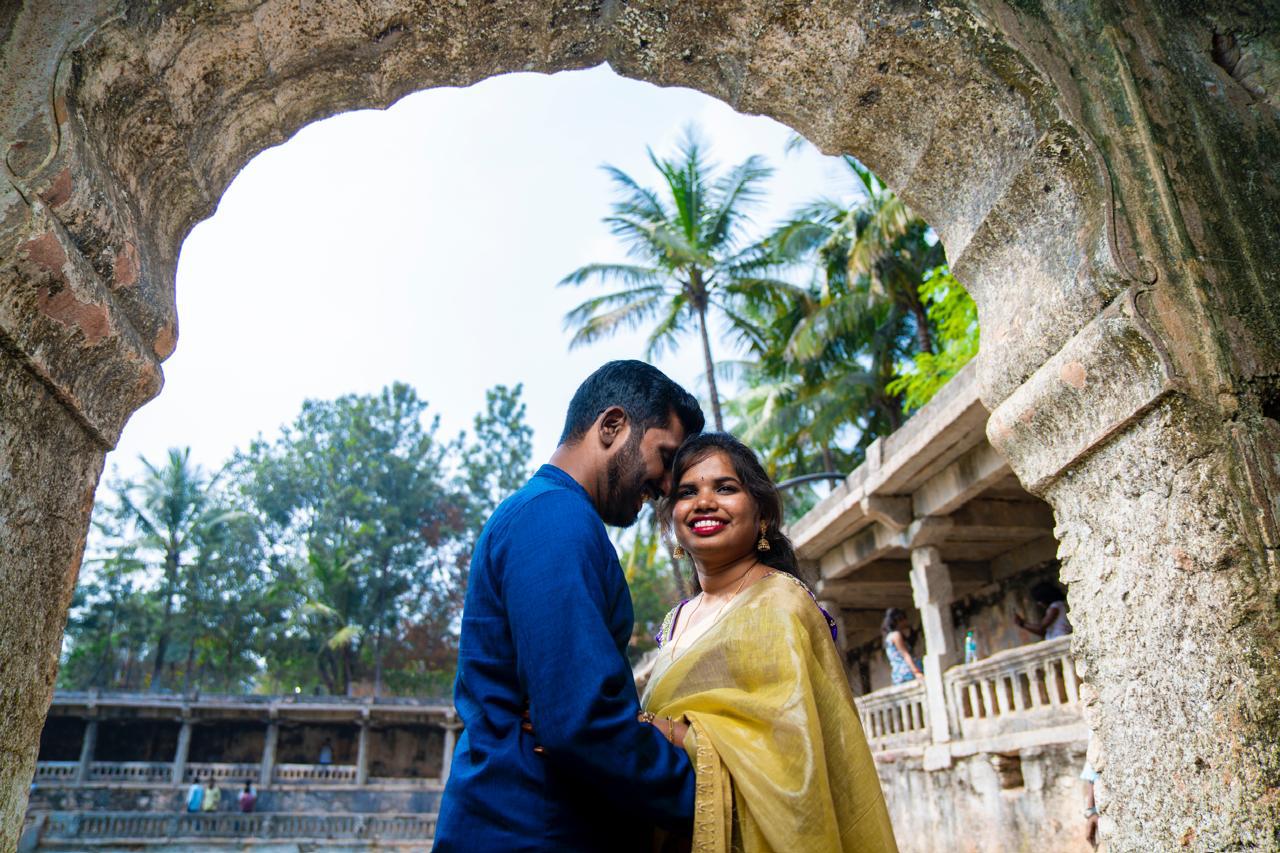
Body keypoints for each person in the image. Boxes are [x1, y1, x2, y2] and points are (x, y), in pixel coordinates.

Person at [434, 360, 706, 852]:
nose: (667, 487)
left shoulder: (551, 513)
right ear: (612, 426)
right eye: (664, 457)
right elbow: (581, 722)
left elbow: (568, 712)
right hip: (532, 829)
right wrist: (710, 795)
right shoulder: (555, 517)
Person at [644, 432, 898, 852]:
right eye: (687, 492)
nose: (704, 502)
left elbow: (792, 760)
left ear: (762, 515)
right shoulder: (675, 621)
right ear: (672, 518)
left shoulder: (780, 602)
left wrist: (667, 732)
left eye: (725, 488)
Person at [882, 607, 924, 685]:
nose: (906, 621)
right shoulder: (896, 635)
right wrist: (917, 672)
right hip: (906, 672)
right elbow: (905, 654)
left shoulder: (888, 637)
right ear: (898, 620)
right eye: (904, 619)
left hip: (897, 674)